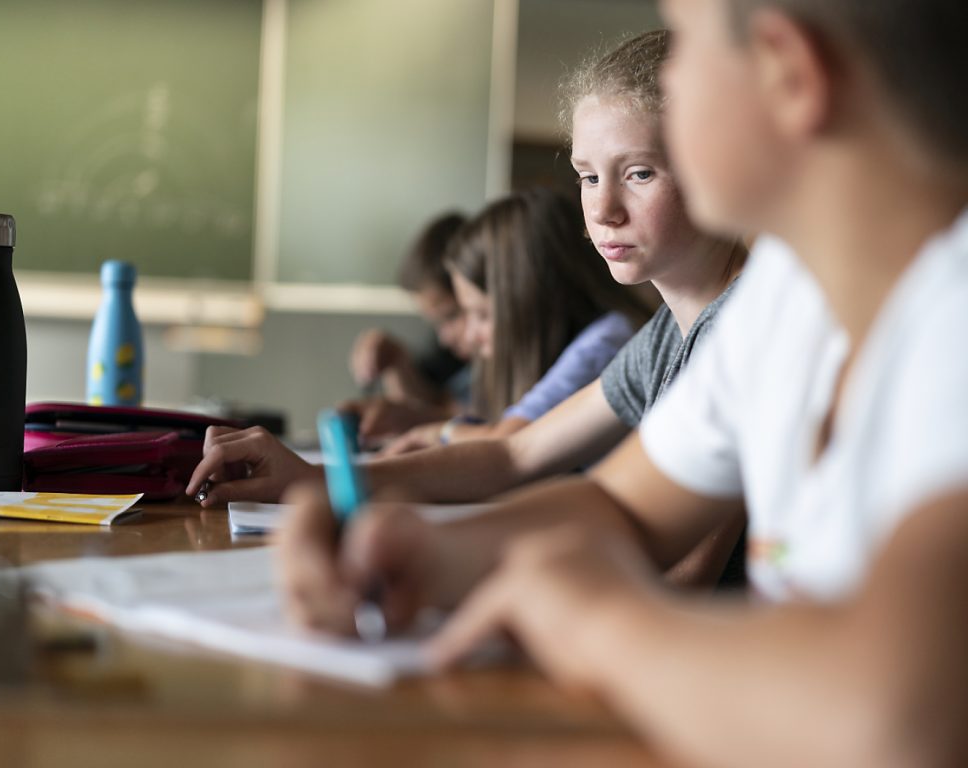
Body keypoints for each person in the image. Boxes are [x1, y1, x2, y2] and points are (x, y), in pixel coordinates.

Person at [281, 0, 968, 764]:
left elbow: (901, 717)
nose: (669, 72)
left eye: (686, 49)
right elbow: (622, 508)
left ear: (787, 71)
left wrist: (597, 621)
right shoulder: (788, 298)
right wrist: (419, 552)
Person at [191, 30, 748, 586]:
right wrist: (314, 478)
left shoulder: (747, 331)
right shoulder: (665, 337)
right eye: (588, 176)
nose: (602, 210)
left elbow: (685, 576)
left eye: (640, 173)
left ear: (715, 166)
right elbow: (514, 455)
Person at [383, 187, 652, 453]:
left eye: (483, 315)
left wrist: (438, 432)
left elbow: (508, 445)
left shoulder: (606, 341)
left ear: (532, 300)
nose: (469, 335)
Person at [342, 212, 473, 444]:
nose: (444, 338)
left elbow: (489, 424)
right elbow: (431, 400)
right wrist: (396, 362)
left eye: (451, 316)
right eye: (435, 323)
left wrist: (417, 420)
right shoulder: (447, 350)